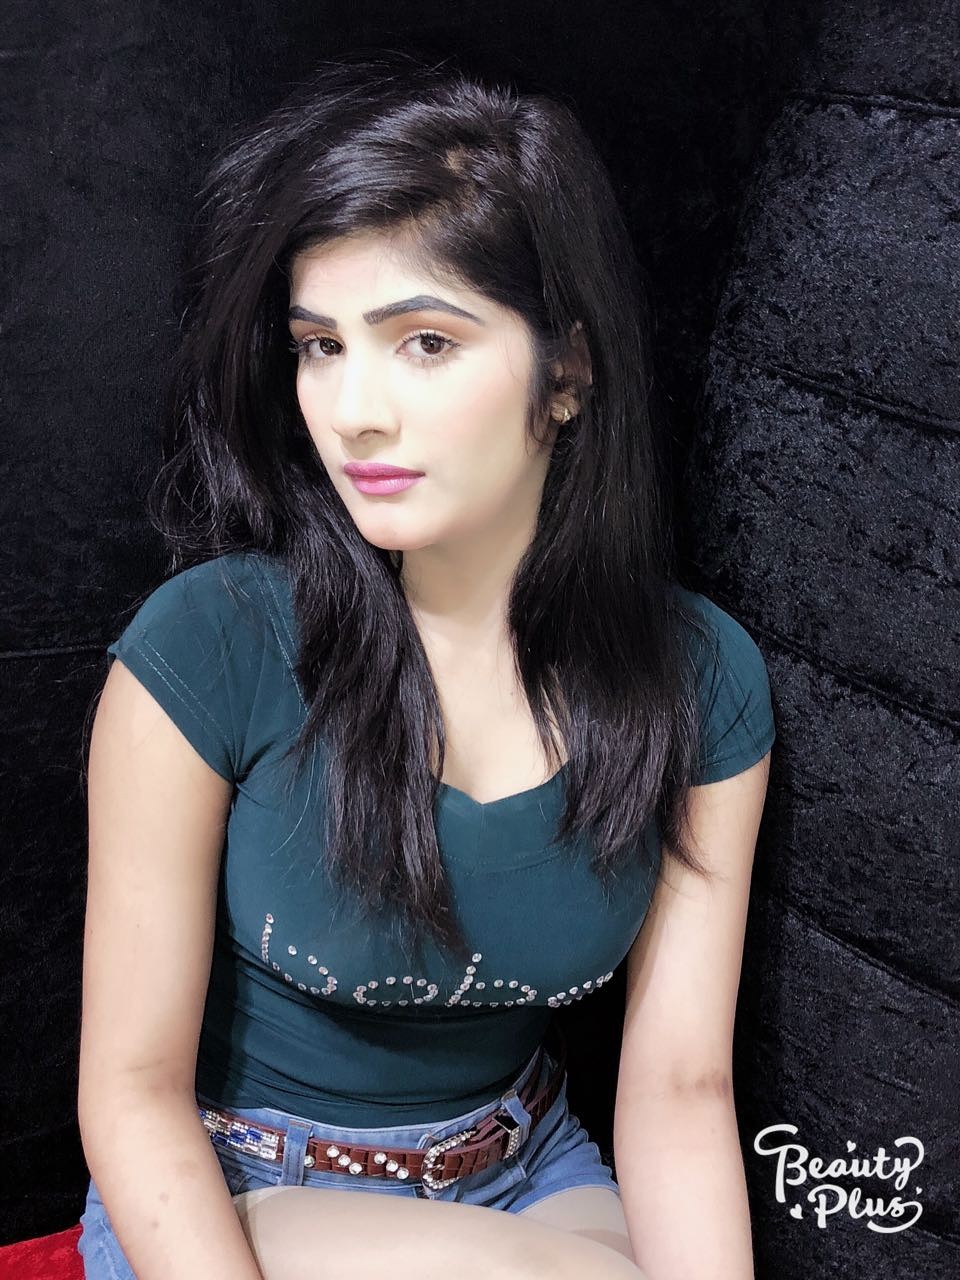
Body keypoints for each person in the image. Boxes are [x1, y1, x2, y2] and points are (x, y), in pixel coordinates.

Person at [76, 50, 775, 1280]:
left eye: (425, 342)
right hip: (239, 1186)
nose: (353, 410)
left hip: (529, 1174)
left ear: (567, 370)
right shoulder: (212, 643)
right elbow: (131, 1095)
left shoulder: (699, 678)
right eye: (320, 346)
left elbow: (680, 1086)